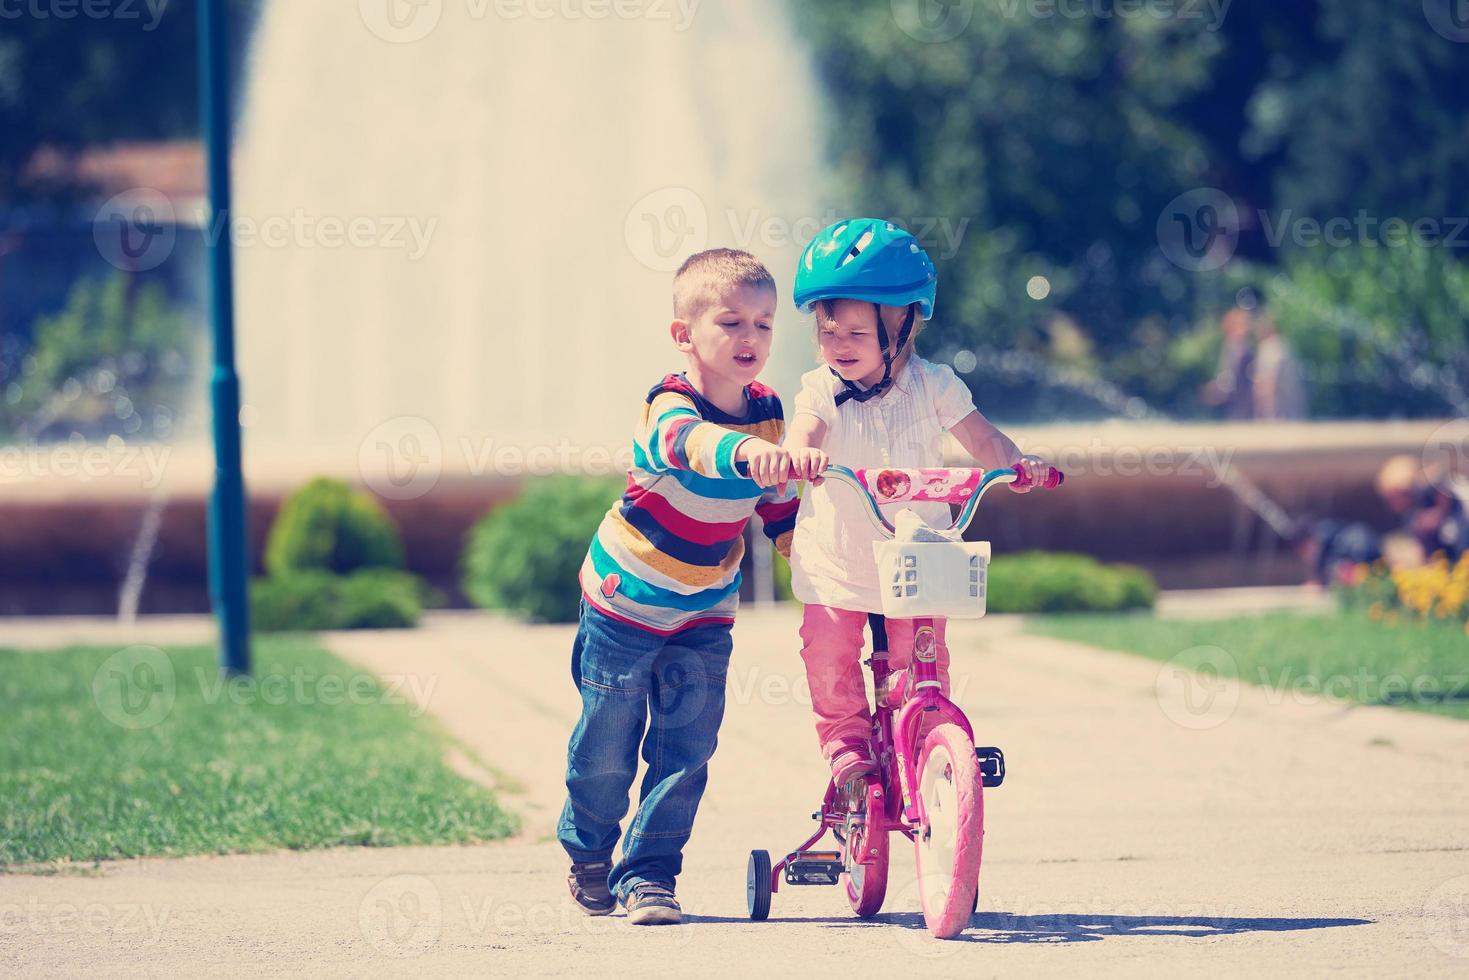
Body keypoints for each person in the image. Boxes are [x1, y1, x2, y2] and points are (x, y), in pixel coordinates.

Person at [559, 248, 813, 925]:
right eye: (730, 323)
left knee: (687, 745)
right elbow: (689, 444)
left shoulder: (766, 408)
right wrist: (746, 453)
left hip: (704, 607)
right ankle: (588, 851)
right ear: (683, 334)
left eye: (763, 324)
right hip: (624, 600)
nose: (750, 339)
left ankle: (649, 877)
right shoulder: (666, 404)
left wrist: (802, 555)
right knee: (607, 745)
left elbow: (778, 502)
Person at [782, 218, 1058, 787]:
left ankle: (927, 738)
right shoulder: (820, 389)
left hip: (914, 560)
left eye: (856, 334)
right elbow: (804, 432)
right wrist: (798, 455)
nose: (838, 346)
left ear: (903, 327)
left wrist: (1015, 464)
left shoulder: (934, 385)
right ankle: (846, 748)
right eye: (827, 333)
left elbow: (984, 440)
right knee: (829, 650)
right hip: (839, 562)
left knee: (920, 662)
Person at [1376, 455, 1469, 564]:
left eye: (1391, 498)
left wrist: (1437, 515)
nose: (1390, 505)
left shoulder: (1431, 488)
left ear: (1403, 490)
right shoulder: (1412, 513)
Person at [1252, 310, 1308, 421]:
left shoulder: (1271, 346)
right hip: (1286, 400)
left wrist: (1263, 397)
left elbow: (1271, 376)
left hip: (1278, 402)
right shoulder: (1282, 344)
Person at [1201, 306, 1256, 420]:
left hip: (1242, 398)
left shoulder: (1242, 348)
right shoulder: (1231, 345)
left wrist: (1219, 387)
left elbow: (1234, 375)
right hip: (1235, 399)